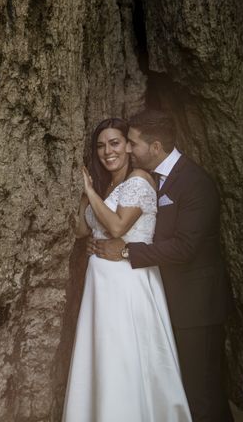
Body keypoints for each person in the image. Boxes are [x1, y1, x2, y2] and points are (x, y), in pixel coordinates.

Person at [93, 109, 233, 422]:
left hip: (197, 306)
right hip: (167, 299)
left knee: (203, 393)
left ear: (155, 147)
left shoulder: (194, 182)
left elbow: (185, 247)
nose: (127, 149)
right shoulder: (156, 180)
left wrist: (128, 252)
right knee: (183, 388)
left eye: (132, 143)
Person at [63, 117, 191, 422]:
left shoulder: (139, 180)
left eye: (115, 143)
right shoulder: (109, 185)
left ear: (129, 147)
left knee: (125, 357)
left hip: (128, 283)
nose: (108, 151)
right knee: (103, 358)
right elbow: (83, 231)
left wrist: (90, 193)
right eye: (100, 146)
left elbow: (118, 226)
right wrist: (86, 196)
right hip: (100, 285)